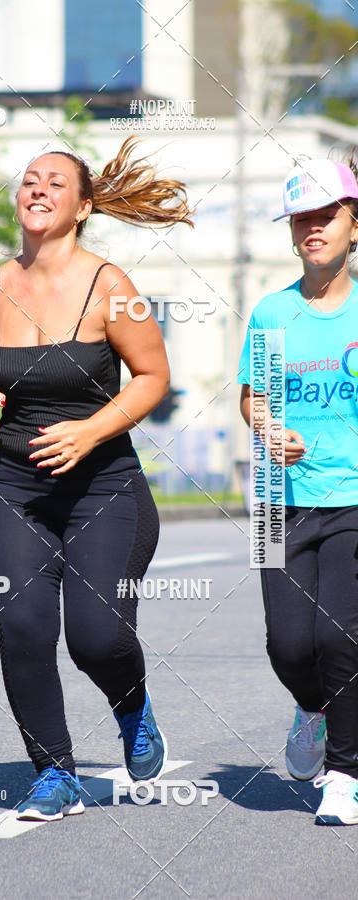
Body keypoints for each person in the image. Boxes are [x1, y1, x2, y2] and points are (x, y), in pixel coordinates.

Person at [0, 136, 193, 821]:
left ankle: (133, 707)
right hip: (15, 490)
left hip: (104, 488)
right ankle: (55, 773)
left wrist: (91, 430)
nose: (37, 190)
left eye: (55, 183)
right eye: (30, 180)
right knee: (24, 626)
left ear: (83, 206)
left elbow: (154, 377)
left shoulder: (108, 286)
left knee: (97, 637)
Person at [238, 154, 358, 826]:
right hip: (278, 499)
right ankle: (312, 708)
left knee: (340, 637)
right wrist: (269, 429)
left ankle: (345, 772)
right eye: (300, 219)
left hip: (353, 498)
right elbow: (253, 400)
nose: (312, 227)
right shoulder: (272, 313)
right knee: (288, 644)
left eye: (326, 215)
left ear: (353, 225)